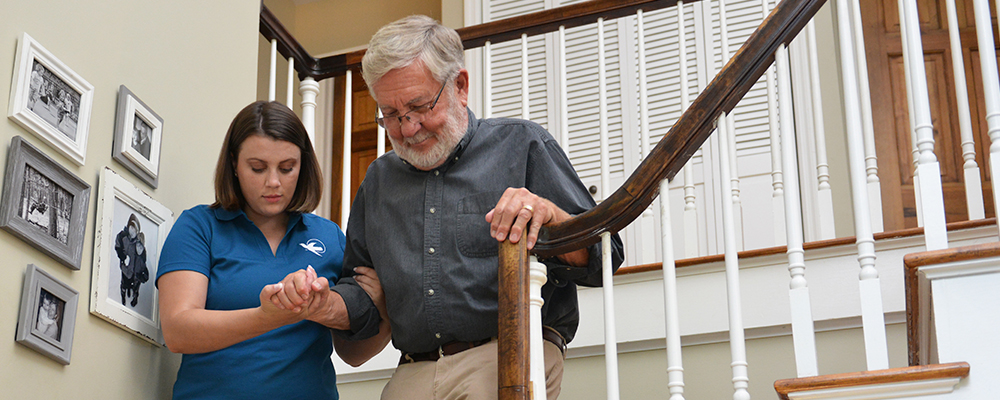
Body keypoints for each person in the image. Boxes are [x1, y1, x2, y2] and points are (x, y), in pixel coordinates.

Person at [274, 15, 625, 399]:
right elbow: (363, 293)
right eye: (390, 114)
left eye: (419, 106)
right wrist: (326, 304)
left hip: (506, 353)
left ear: (460, 86)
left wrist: (551, 216)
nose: (407, 128)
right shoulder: (377, 181)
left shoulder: (523, 145)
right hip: (413, 368)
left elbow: (606, 257)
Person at [156, 101, 383, 399]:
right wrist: (268, 316)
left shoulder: (328, 236)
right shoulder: (199, 226)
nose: (273, 182)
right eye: (258, 168)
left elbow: (354, 354)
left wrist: (381, 308)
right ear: (234, 165)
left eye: (287, 168)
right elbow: (177, 331)